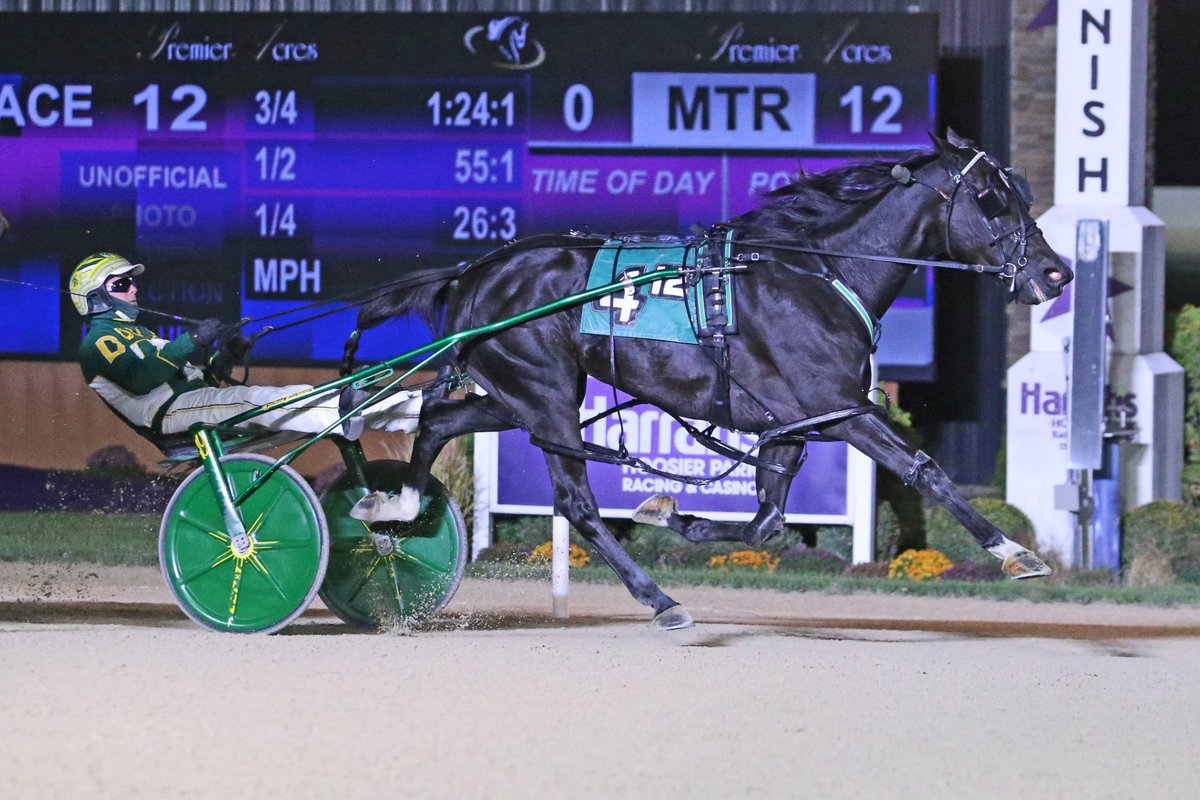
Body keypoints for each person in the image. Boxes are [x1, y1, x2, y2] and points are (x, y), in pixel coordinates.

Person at [70, 252, 421, 442]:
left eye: (131, 281)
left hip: (189, 401)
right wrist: (189, 341)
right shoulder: (99, 342)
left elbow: (191, 375)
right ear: (96, 298)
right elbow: (141, 379)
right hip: (169, 414)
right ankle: (359, 409)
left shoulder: (138, 333)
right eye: (122, 283)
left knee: (274, 397)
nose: (133, 289)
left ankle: (413, 410)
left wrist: (225, 356)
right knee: (260, 401)